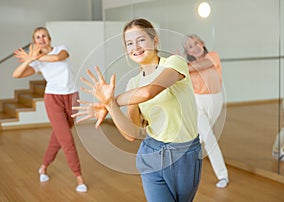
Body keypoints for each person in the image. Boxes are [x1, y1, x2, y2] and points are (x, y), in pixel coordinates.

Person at [72, 18, 202, 201]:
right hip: (151, 154)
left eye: (141, 40)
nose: (136, 47)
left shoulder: (174, 63)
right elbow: (132, 133)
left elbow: (149, 91)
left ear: (154, 40)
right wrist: (110, 105)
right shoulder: (133, 83)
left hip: (185, 154)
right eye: (129, 43)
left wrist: (110, 102)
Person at [12, 27, 87, 192]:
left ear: (49, 38)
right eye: (37, 37)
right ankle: (79, 177)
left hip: (73, 97)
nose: (41, 39)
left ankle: (44, 166)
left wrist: (34, 56)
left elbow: (58, 59)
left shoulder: (61, 49)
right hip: (53, 99)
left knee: (58, 138)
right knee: (66, 139)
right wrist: (28, 60)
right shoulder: (38, 62)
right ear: (34, 41)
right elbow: (16, 75)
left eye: (44, 36)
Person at [183, 35, 229, 188]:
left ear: (202, 43)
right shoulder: (188, 66)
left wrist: (182, 64)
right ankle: (223, 175)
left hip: (216, 100)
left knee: (201, 138)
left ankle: (183, 162)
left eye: (196, 43)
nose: (194, 47)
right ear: (187, 51)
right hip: (197, 103)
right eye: (190, 46)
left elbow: (202, 66)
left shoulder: (212, 57)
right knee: (209, 138)